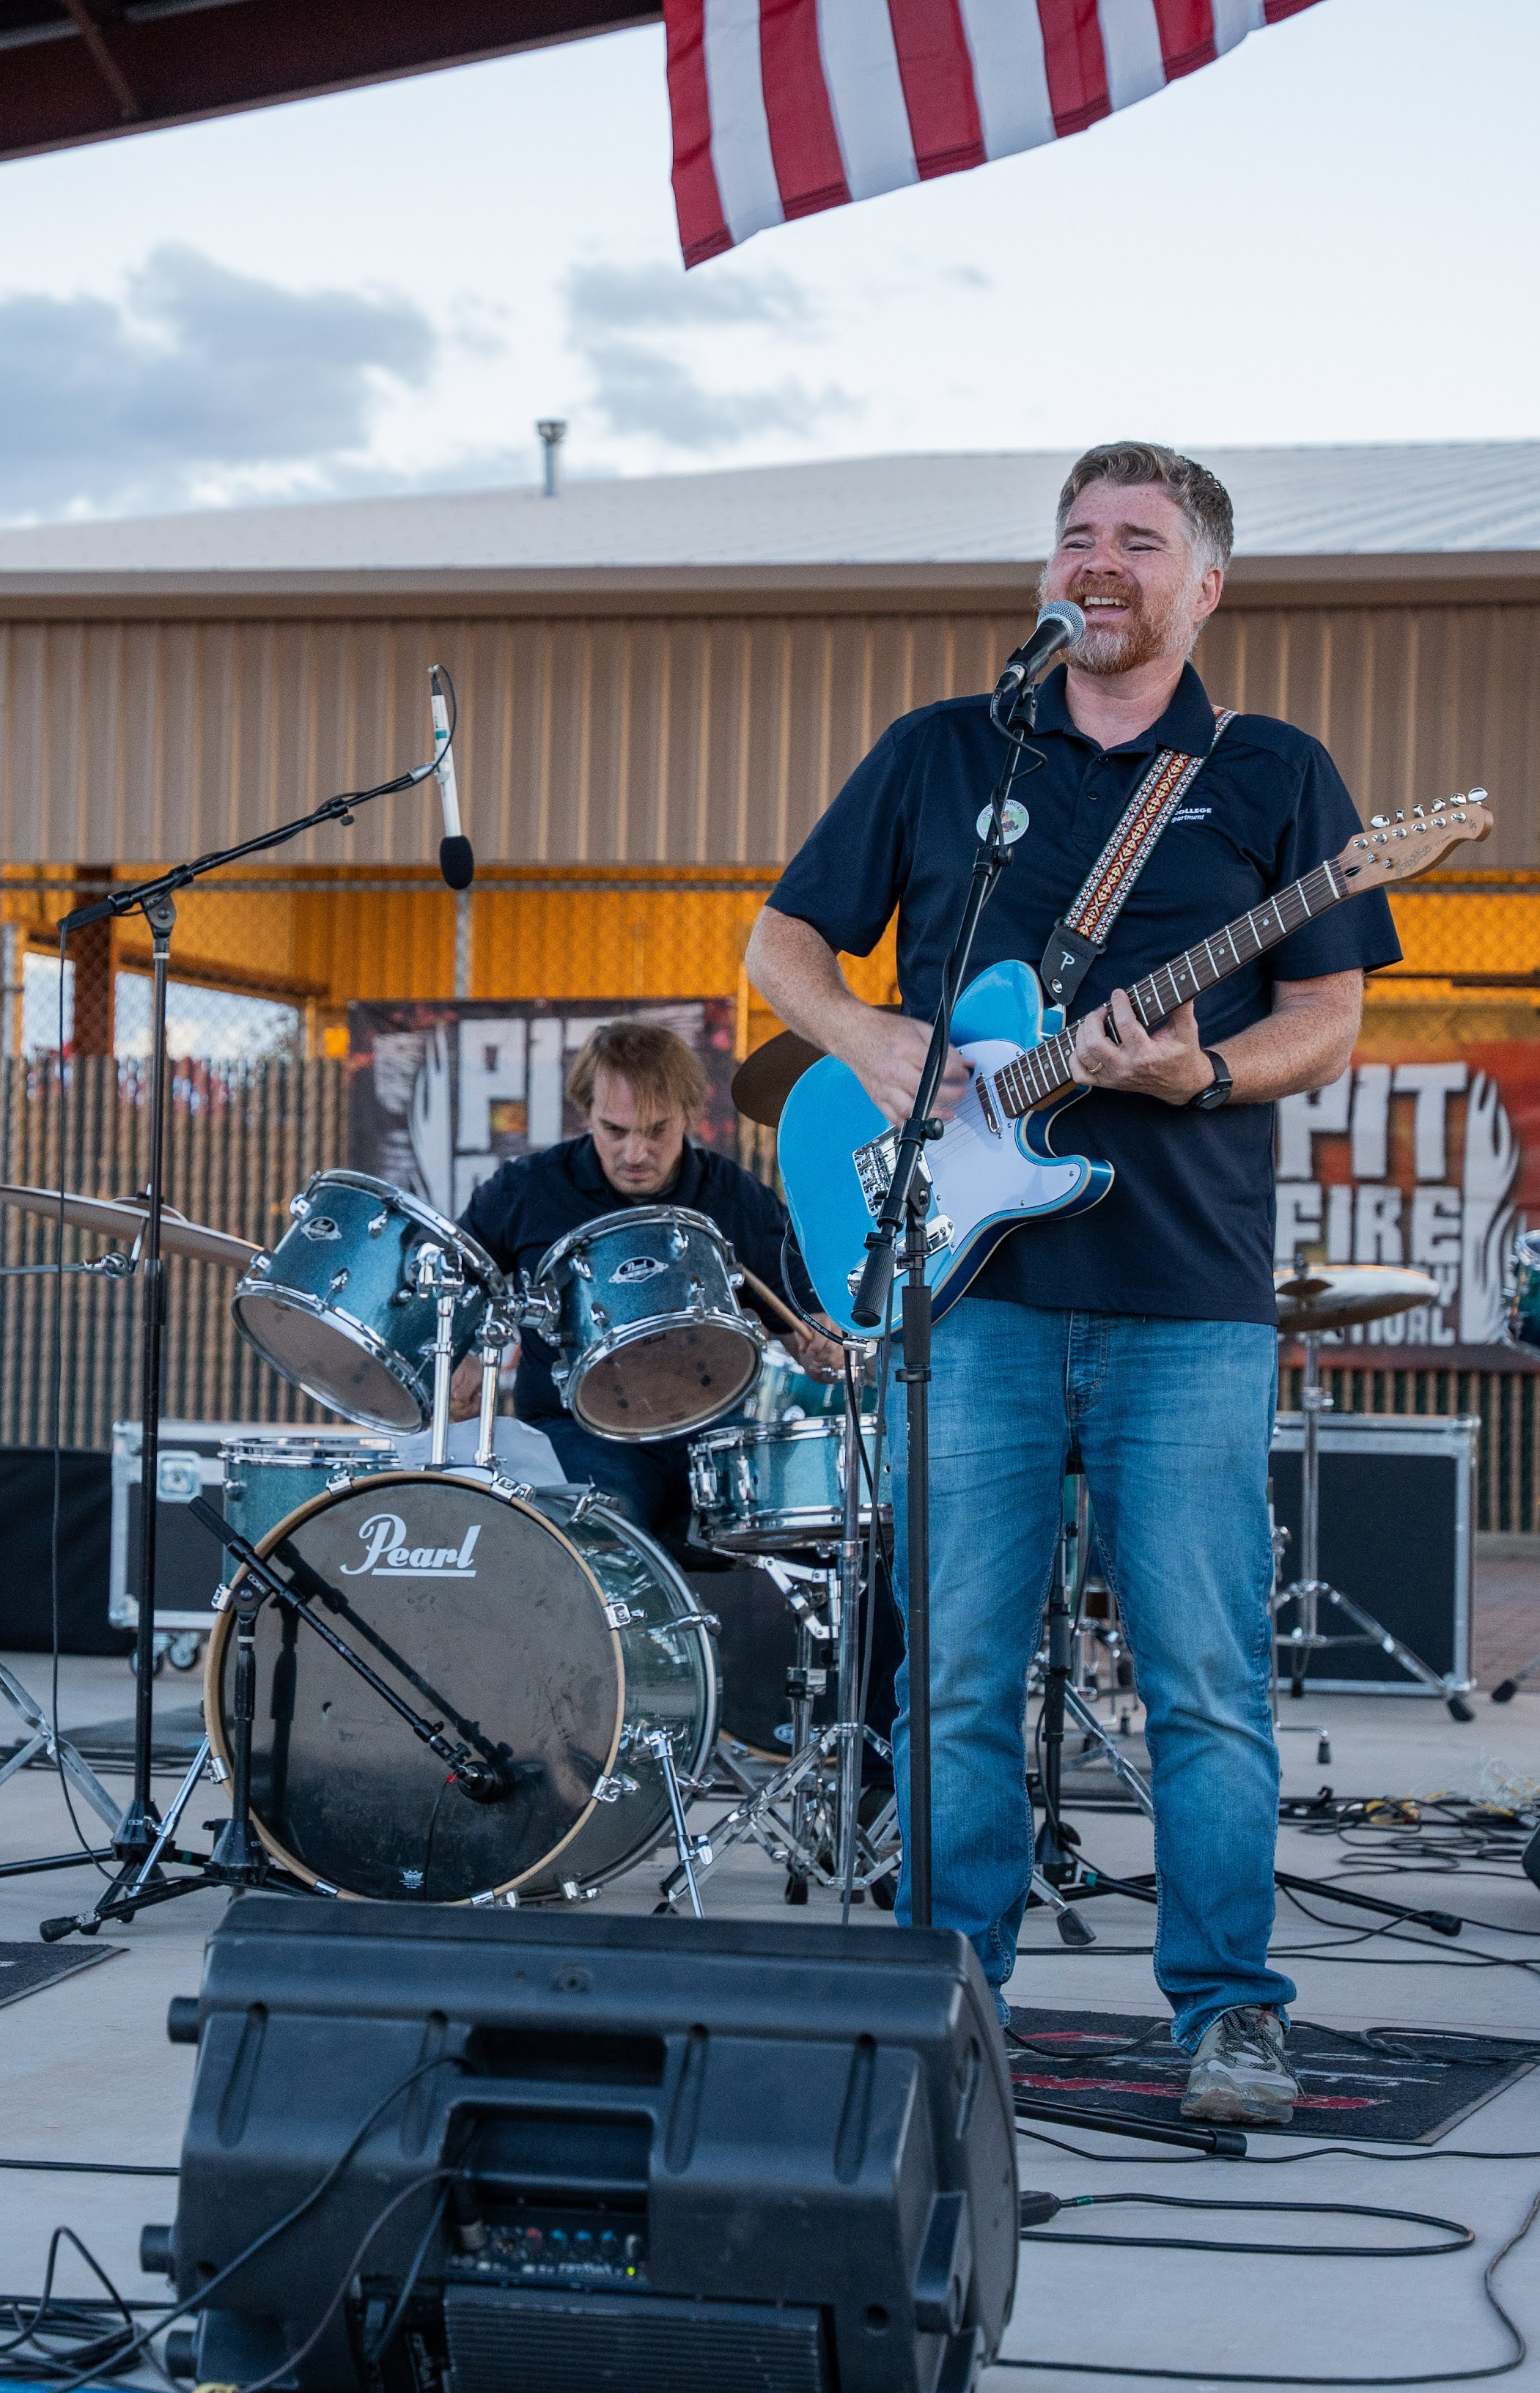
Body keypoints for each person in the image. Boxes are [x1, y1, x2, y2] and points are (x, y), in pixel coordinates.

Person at [747, 442, 1397, 2126]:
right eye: (1074, 534)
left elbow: (1327, 1012)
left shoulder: (1268, 776)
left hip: (1183, 1294)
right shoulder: (941, 751)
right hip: (969, 1299)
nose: (1097, 557)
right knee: (951, 1673)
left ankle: (1228, 2012)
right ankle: (940, 1998)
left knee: (1196, 1679)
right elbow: (778, 943)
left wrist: (1204, 1075)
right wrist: (865, 1031)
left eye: (1137, 538)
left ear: (1202, 588)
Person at [448, 1019, 844, 1547]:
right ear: (585, 1111)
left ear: (689, 1112)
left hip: (708, 1433)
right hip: (575, 1433)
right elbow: (447, 1285)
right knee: (603, 1522)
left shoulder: (733, 1197)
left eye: (657, 1130)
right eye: (615, 1130)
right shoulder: (525, 1192)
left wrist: (823, 1346)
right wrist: (466, 1352)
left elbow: (804, 1324)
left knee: (808, 1514)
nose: (636, 1153)